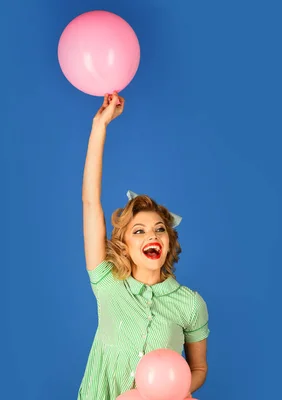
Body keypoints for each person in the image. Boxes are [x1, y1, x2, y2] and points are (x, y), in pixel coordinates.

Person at [78, 92, 210, 400]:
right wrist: (100, 126)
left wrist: (171, 391)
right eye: (139, 231)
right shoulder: (107, 281)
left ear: (168, 240)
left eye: (159, 229)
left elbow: (199, 370)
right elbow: (89, 202)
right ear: (123, 243)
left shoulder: (191, 305)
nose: (152, 235)